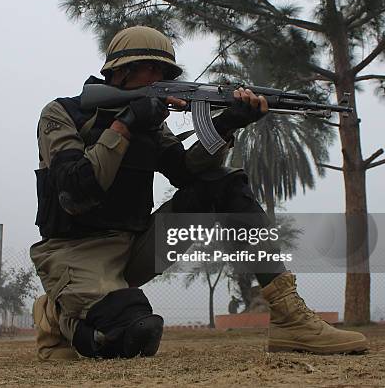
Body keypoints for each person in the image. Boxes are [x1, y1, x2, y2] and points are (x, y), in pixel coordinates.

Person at [30, 25, 368, 360]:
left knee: (224, 183)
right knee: (134, 335)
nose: (160, 77)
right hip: (74, 253)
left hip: (133, 247)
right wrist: (125, 124)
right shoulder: (63, 114)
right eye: (152, 68)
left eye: (166, 71)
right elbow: (75, 190)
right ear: (121, 71)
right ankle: (59, 315)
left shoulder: (150, 123)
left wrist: (225, 124)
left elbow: (185, 171)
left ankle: (289, 316)